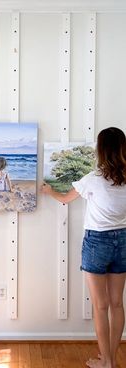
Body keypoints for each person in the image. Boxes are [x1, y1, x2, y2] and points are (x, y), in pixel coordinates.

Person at [40, 127, 126, 368]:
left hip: (97, 242)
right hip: (123, 241)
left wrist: (48, 191)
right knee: (117, 303)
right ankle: (111, 357)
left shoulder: (93, 179)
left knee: (100, 305)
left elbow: (66, 198)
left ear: (100, 150)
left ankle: (106, 362)